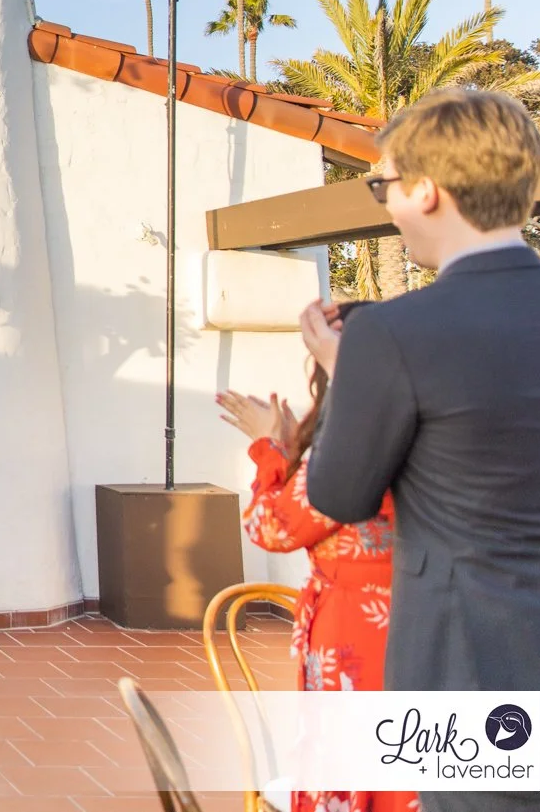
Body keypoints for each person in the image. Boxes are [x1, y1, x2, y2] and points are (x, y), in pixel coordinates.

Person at [302, 89, 540, 812]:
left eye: (385, 185)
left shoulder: (393, 334)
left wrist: (351, 376)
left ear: (427, 189)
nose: (388, 204)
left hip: (467, 664)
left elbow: (338, 494)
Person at [216, 310, 417, 812]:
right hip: (413, 616)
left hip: (358, 628)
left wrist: (269, 449)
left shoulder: (348, 446)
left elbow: (273, 527)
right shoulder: (417, 429)